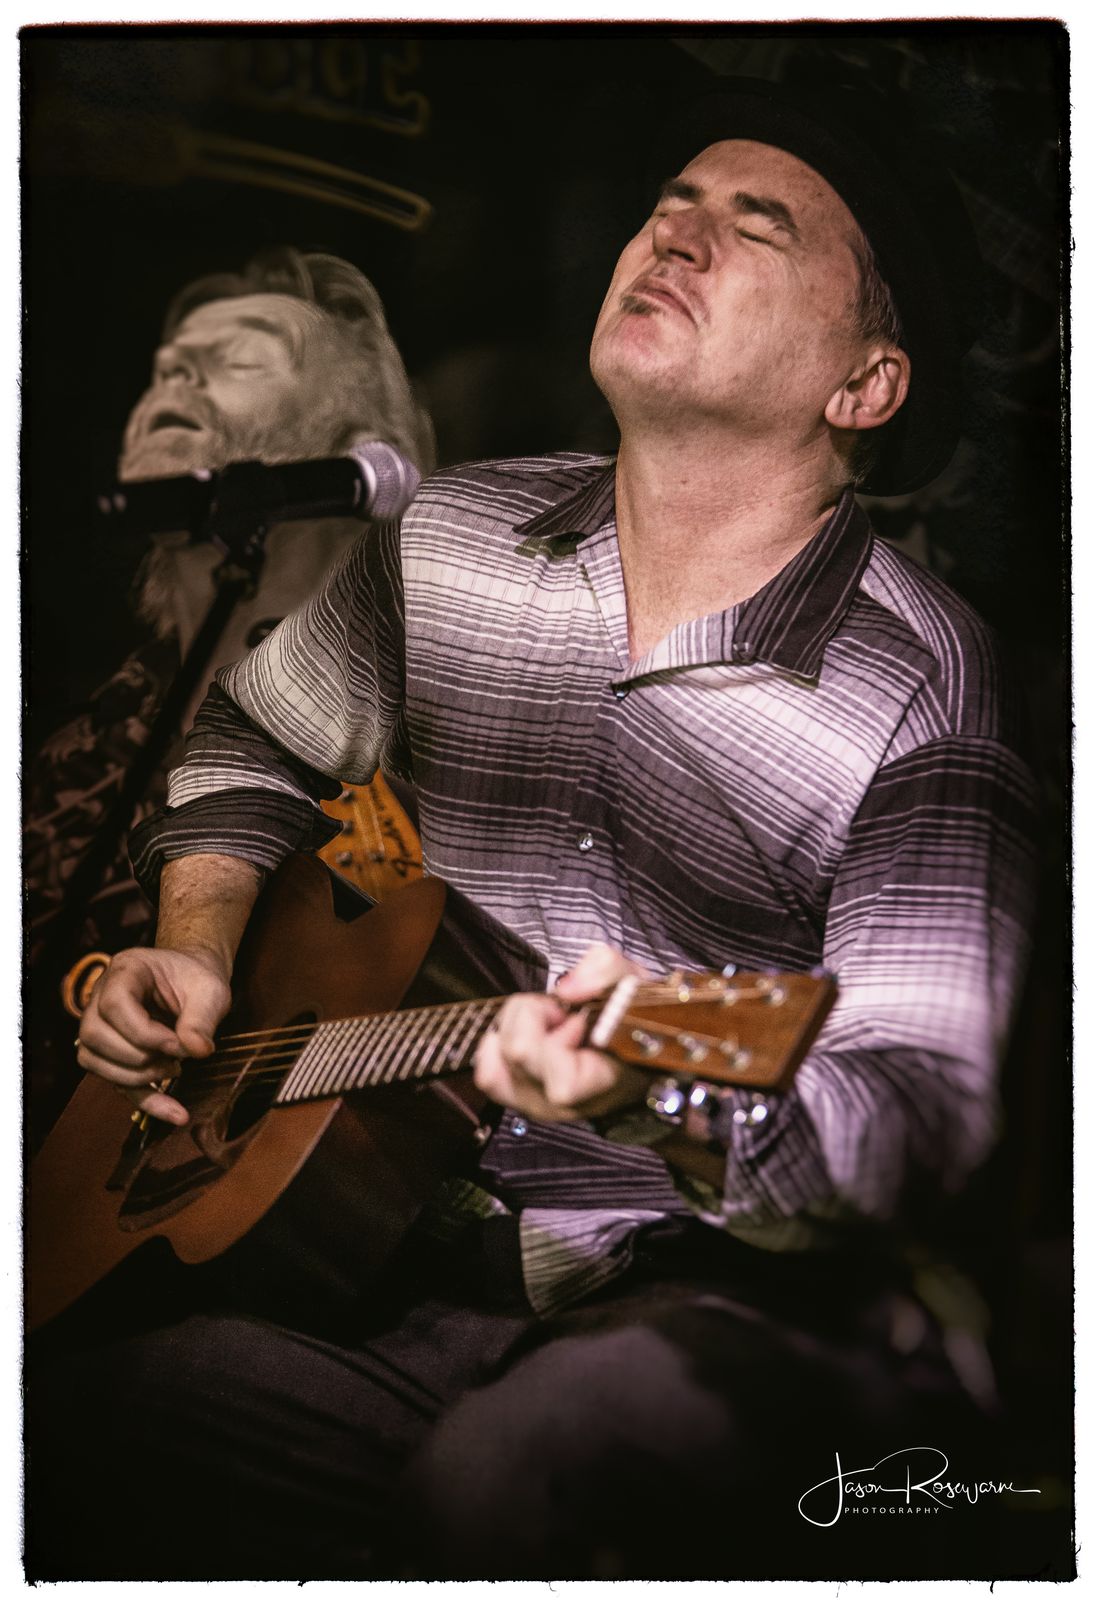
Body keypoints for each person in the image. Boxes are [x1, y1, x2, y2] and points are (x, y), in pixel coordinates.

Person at [28, 81, 1037, 1580]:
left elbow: (913, 1115)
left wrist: (656, 1097)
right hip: (385, 1262)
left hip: (700, 1292)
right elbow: (252, 737)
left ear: (864, 384)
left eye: (753, 227)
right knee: (77, 1425)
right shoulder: (447, 535)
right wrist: (198, 947)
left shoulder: (920, 688)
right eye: (669, 205)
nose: (674, 235)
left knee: (512, 1477)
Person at [24, 248, 429, 1127]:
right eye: (167, 367)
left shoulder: (421, 694)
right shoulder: (91, 732)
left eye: (238, 359)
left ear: (359, 441)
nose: (176, 378)